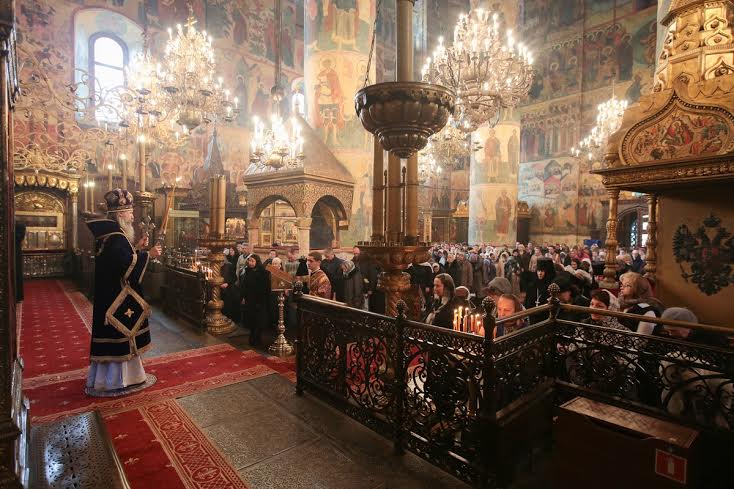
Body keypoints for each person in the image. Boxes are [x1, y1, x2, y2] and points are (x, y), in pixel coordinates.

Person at [85, 189, 162, 394]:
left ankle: (106, 378)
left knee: (112, 335)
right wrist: (149, 255)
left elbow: (120, 260)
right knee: (120, 335)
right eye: (129, 212)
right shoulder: (117, 237)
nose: (133, 216)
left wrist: (136, 248)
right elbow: (125, 268)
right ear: (120, 215)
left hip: (108, 296)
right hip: (117, 297)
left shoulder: (108, 235)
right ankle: (119, 380)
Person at [241, 254, 271, 346]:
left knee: (259, 320)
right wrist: (243, 297)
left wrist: (260, 301)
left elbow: (265, 288)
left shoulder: (263, 273)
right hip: (250, 299)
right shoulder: (248, 271)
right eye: (249, 261)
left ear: (257, 262)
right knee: (251, 319)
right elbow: (244, 285)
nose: (250, 263)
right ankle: (252, 336)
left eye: (252, 261)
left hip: (260, 300)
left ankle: (258, 337)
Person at [14, 222, 25, 303]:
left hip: (16, 253)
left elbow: (20, 238)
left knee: (17, 274)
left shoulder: (20, 226)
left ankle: (18, 296)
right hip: (16, 253)